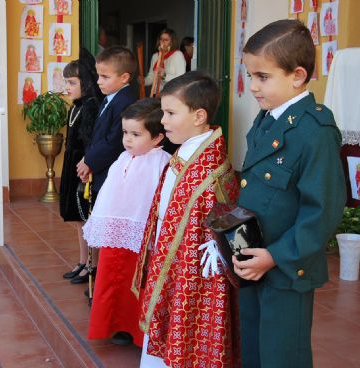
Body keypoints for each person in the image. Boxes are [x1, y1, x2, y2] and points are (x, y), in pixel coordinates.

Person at [235, 19, 346, 368]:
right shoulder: (268, 117)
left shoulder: (315, 131)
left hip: (287, 268)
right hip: (256, 259)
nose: (252, 86)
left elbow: (322, 211)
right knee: (254, 347)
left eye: (262, 77)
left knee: (283, 355)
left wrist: (276, 257)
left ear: (297, 76)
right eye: (250, 75)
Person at [133, 71, 240, 367]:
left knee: (190, 340)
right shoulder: (189, 151)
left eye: (170, 113)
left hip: (196, 271)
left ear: (199, 116)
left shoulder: (209, 167)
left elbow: (225, 211)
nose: (163, 121)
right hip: (173, 260)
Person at [84, 98, 170, 347]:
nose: (128, 139)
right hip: (115, 235)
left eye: (135, 134)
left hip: (141, 238)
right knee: (112, 279)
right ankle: (114, 325)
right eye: (125, 133)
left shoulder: (160, 162)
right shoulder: (122, 158)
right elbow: (110, 194)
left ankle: (137, 331)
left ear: (156, 138)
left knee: (138, 284)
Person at [75, 46, 138, 282]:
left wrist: (91, 161)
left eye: (105, 77)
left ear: (124, 78)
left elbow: (114, 141)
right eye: (98, 75)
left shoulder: (126, 101)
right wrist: (87, 159)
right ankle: (96, 272)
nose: (99, 81)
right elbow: (97, 135)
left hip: (111, 170)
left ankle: (103, 275)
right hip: (100, 169)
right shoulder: (109, 98)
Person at [59, 49, 103, 282]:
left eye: (72, 82)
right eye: (66, 81)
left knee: (86, 218)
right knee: (77, 221)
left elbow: (90, 142)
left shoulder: (90, 106)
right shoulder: (75, 106)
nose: (67, 86)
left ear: (85, 83)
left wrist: (87, 168)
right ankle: (81, 260)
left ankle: (91, 264)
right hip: (71, 165)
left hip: (82, 168)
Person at [143, 29, 186, 94]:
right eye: (161, 39)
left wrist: (165, 75)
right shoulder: (155, 56)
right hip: (157, 94)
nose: (162, 42)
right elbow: (152, 76)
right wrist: (144, 81)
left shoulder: (178, 55)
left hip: (171, 94)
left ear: (172, 42)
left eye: (166, 40)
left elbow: (181, 79)